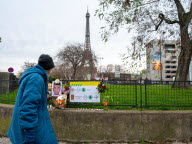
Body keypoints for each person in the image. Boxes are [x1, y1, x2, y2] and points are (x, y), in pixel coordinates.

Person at [7, 54, 58, 144]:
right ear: (49, 67)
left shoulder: (34, 76)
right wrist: (29, 132)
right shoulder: (36, 78)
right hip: (31, 127)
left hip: (29, 123)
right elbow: (28, 105)